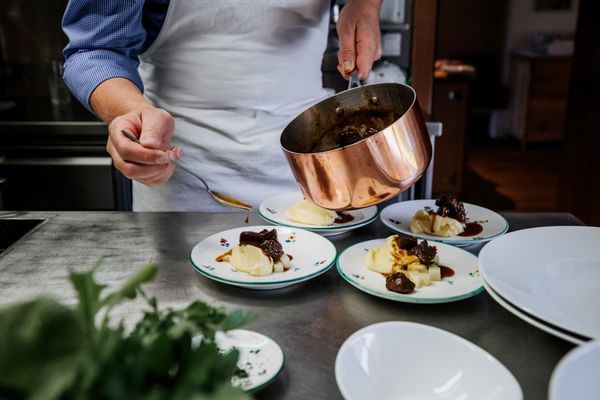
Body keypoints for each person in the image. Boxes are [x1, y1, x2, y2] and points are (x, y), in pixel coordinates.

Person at [62, 0, 382, 211]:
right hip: (183, 182)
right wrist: (131, 112)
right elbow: (95, 48)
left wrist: (365, 6)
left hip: (311, 176)